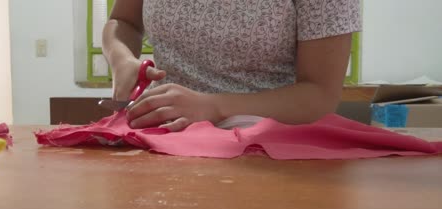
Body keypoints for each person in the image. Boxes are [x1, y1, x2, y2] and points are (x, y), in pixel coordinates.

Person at [102, 0, 361, 131]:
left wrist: (213, 106)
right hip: (162, 133)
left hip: (265, 148)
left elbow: (319, 93)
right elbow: (124, 21)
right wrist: (121, 57)